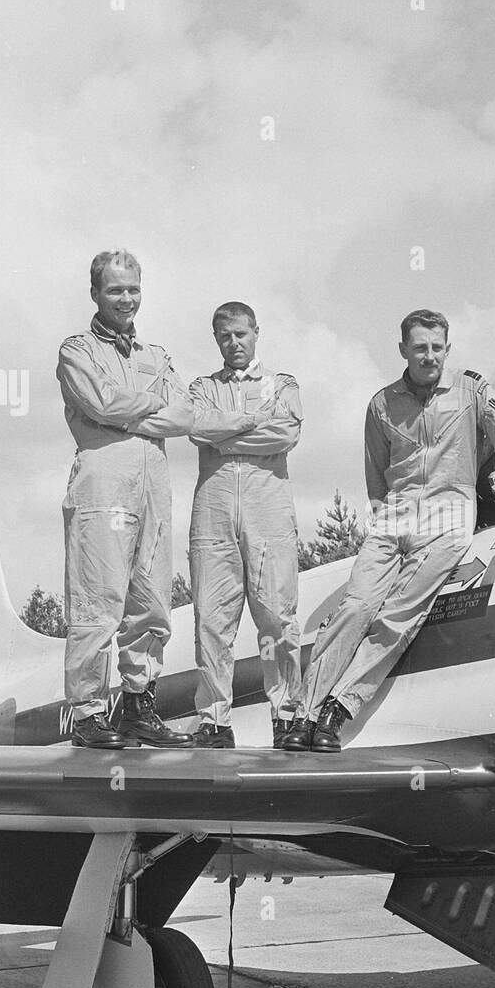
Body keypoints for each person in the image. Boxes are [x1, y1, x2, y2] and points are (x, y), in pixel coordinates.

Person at [284, 309, 495, 754]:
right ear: (403, 351)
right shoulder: (381, 404)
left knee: (396, 616)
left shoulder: (471, 391)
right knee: (354, 608)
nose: (429, 355)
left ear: (447, 349)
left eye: (437, 347)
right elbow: (376, 473)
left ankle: (337, 710)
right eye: (420, 347)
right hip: (394, 519)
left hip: (449, 519)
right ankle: (302, 713)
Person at [57, 250, 258, 749]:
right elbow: (98, 401)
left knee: (151, 602)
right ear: (95, 294)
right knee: (98, 600)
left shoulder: (157, 355)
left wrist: (129, 414)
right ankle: (87, 713)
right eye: (115, 290)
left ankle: (137, 705)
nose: (126, 299)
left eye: (133, 289)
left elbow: (186, 414)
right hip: (104, 484)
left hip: (152, 486)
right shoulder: (76, 350)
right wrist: (150, 408)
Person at [188, 302, 303, 748]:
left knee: (276, 616)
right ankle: (214, 719)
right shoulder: (201, 387)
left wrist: (227, 435)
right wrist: (254, 421)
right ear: (216, 339)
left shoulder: (283, 383)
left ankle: (288, 714)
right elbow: (197, 429)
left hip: (268, 511)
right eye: (224, 337)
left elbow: (286, 433)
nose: (233, 343)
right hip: (213, 513)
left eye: (240, 334)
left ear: (256, 332)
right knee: (212, 620)